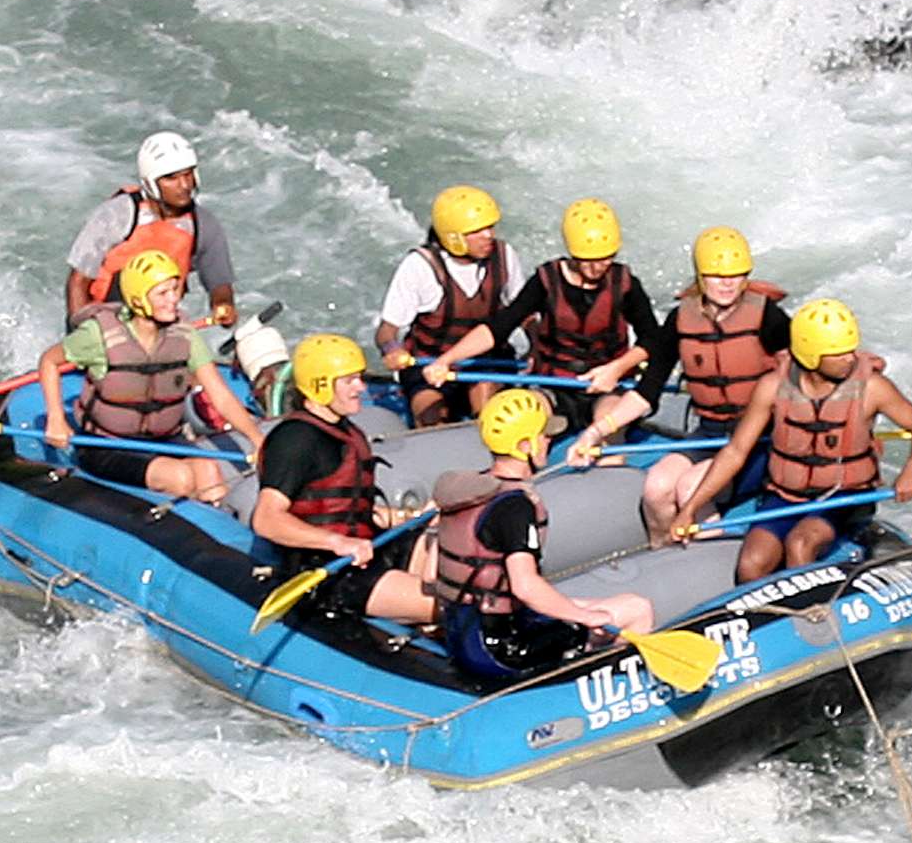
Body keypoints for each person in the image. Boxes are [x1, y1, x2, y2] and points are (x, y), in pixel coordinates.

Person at [668, 299, 912, 582]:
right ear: (810, 356)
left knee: (799, 545)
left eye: (850, 350)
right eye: (838, 354)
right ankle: (765, 619)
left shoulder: (873, 388)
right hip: (784, 496)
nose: (851, 358)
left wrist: (911, 471)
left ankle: (811, 619)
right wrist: (690, 508)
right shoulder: (772, 386)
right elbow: (736, 451)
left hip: (843, 496)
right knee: (751, 564)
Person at [409, 390, 658, 690]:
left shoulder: (469, 490)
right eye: (543, 436)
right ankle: (599, 696)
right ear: (523, 445)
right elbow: (525, 587)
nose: (548, 442)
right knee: (637, 610)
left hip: (463, 635)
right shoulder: (515, 507)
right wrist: (584, 616)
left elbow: (429, 574)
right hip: (502, 651)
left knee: (614, 605)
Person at [34, 249, 265, 505]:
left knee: (210, 474)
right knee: (181, 478)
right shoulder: (99, 335)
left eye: (175, 290)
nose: (174, 300)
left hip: (164, 440)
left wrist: (258, 441)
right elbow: (49, 361)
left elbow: (220, 396)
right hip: (106, 445)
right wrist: (56, 418)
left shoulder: (184, 335)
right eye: (162, 293)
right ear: (138, 299)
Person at [247, 331, 422, 622]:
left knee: (456, 567)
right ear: (320, 386)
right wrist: (337, 543)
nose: (361, 387)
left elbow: (346, 508)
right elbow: (266, 519)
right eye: (350, 380)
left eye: (360, 377)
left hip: (366, 549)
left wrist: (408, 516)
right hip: (324, 569)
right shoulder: (295, 440)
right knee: (445, 601)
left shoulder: (347, 431)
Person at [638, 225, 789, 542]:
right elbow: (648, 388)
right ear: (700, 276)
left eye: (735, 275)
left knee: (690, 487)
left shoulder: (768, 317)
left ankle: (706, 551)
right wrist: (600, 429)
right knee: (656, 486)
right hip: (708, 433)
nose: (727, 283)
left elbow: (808, 371)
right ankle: (661, 555)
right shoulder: (680, 319)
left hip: (757, 441)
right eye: (717, 275)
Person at [489, 198, 669, 450]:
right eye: (588, 260)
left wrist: (616, 369)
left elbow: (653, 339)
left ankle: (610, 471)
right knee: (524, 421)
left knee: (609, 427)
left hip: (606, 388)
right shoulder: (545, 281)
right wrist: (445, 361)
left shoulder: (625, 284)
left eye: (606, 258)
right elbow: (499, 327)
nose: (597, 268)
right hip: (554, 385)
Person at [373, 185, 522, 429]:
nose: (489, 235)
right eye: (478, 231)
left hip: (485, 363)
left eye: (490, 227)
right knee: (431, 418)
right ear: (454, 237)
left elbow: (523, 314)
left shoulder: (504, 256)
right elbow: (387, 329)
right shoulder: (419, 266)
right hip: (428, 365)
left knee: (487, 407)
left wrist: (538, 347)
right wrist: (392, 349)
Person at [65, 132, 238, 328]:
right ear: (150, 183)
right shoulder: (118, 214)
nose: (184, 185)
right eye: (171, 178)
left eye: (188, 174)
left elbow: (220, 284)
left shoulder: (203, 224)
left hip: (159, 328)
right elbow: (78, 282)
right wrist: (83, 334)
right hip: (103, 323)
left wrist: (223, 305)